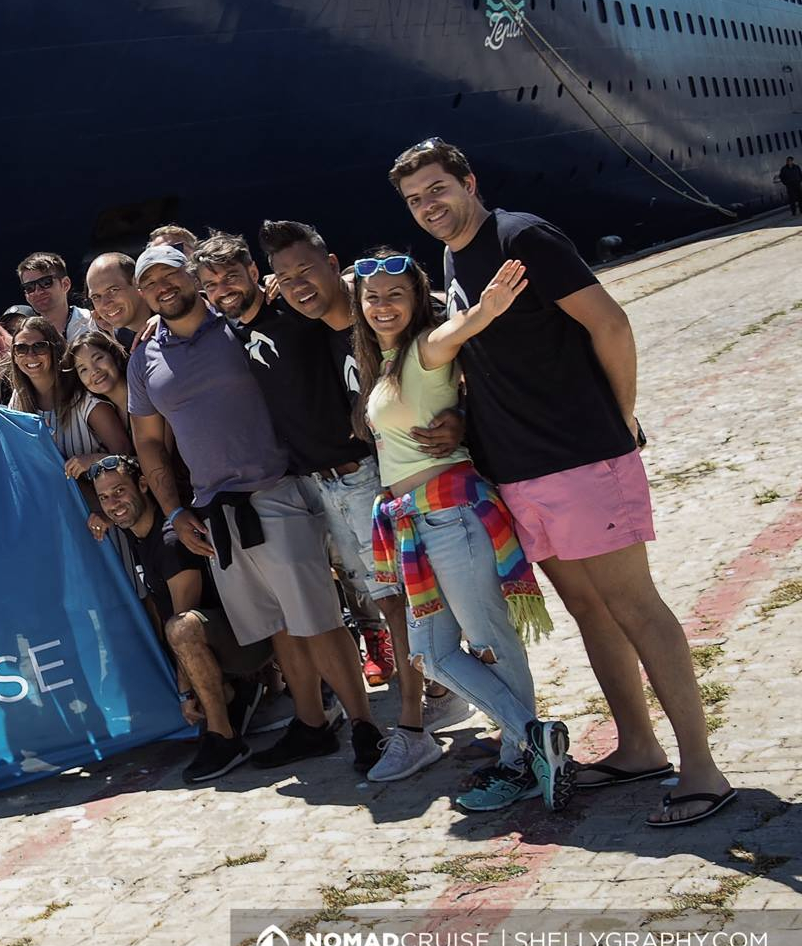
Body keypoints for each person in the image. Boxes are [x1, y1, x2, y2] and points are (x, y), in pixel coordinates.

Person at [391, 137, 730, 826]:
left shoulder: (523, 236)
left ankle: (703, 770)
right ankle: (638, 746)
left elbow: (611, 324)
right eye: (414, 198)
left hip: (579, 459)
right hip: (519, 471)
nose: (429, 205)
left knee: (636, 605)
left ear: (468, 179)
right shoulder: (455, 256)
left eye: (437, 188)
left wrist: (621, 417)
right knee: (589, 610)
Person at [126, 243, 387, 773]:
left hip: (276, 489)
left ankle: (364, 725)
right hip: (214, 511)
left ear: (192, 277)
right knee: (278, 626)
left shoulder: (237, 325)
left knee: (317, 619)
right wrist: (176, 512)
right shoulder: (143, 355)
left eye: (170, 275)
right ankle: (313, 724)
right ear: (142, 293)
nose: (162, 287)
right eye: (150, 281)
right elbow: (149, 442)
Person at [353, 248, 569, 809]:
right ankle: (533, 736)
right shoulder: (388, 361)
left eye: (396, 296)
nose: (382, 305)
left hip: (452, 516)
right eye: (372, 297)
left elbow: (457, 331)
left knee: (490, 642)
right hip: (419, 525)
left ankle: (519, 760)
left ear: (416, 300)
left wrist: (488, 308)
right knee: (430, 651)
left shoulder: (424, 349)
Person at [193, 231, 405, 701]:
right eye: (212, 283)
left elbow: (342, 301)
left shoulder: (295, 314)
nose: (224, 287)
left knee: (393, 593)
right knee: (359, 584)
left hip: (359, 472)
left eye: (232, 275)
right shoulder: (230, 332)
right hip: (313, 483)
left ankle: (427, 690)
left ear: (254, 273)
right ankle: (418, 679)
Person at [84, 457, 271, 783]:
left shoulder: (170, 539)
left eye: (120, 491)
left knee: (180, 629)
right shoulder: (136, 528)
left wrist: (185, 694)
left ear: (144, 485)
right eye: (104, 497)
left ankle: (224, 737)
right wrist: (106, 516)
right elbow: (120, 511)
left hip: (249, 643)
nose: (114, 504)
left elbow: (183, 620)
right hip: (222, 642)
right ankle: (235, 695)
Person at [7, 315, 130, 477]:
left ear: (54, 349)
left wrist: (94, 460)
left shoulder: (87, 401)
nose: (30, 355)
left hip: (101, 495)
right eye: (21, 348)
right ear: (14, 356)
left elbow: (128, 459)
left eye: (39, 347)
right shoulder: (19, 398)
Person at [16, 252, 97, 343]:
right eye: (29, 287)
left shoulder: (94, 322)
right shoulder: (27, 339)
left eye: (46, 282)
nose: (38, 291)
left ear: (65, 284)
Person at [86, 252, 152, 352]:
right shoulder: (118, 342)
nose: (106, 304)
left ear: (137, 282)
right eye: (96, 297)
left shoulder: (175, 317)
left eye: (113, 290)